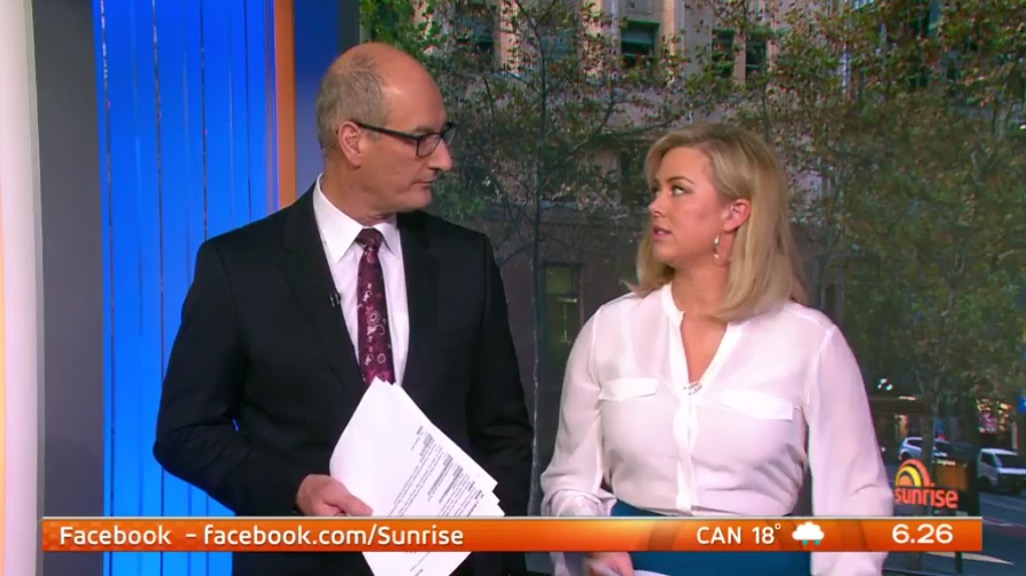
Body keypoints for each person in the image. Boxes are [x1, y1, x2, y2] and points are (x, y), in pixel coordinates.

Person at [154, 42, 533, 576]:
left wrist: (486, 554)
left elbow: (503, 433)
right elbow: (186, 433)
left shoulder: (466, 260)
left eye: (442, 136)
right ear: (353, 140)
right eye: (421, 140)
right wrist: (294, 489)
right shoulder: (239, 268)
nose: (442, 159)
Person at [540, 123, 893, 576]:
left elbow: (857, 502)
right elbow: (569, 482)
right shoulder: (610, 330)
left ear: (735, 213)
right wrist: (592, 541)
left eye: (678, 190)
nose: (655, 205)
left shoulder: (811, 342)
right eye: (656, 190)